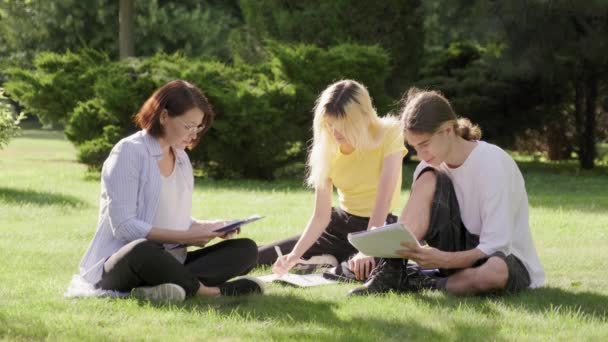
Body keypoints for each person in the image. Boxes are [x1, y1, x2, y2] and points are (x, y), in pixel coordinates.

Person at [77, 80, 263, 303]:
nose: (194, 135)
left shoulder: (181, 157)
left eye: (198, 127)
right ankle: (210, 291)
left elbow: (174, 218)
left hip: (172, 259)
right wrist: (188, 237)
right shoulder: (128, 152)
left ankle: (165, 287)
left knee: (246, 249)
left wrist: (210, 227)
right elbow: (125, 226)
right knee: (141, 250)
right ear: (164, 116)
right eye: (188, 126)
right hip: (125, 262)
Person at [350, 88, 545, 296]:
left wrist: (441, 259)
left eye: (425, 144)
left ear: (448, 130)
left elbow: (494, 246)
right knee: (427, 174)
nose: (421, 155)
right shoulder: (429, 166)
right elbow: (419, 222)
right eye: (415, 147)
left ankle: (425, 284)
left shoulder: (492, 163)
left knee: (494, 272)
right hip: (455, 252)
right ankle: (392, 270)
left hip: (504, 257)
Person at [261, 80, 408, 281]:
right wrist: (294, 255)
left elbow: (385, 196)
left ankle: (332, 262)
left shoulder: (390, 132)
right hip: (339, 225)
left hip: (379, 225)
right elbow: (321, 215)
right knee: (264, 256)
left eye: (342, 126)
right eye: (330, 125)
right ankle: (327, 260)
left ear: (362, 118)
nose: (334, 132)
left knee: (371, 272)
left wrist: (367, 248)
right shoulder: (325, 149)